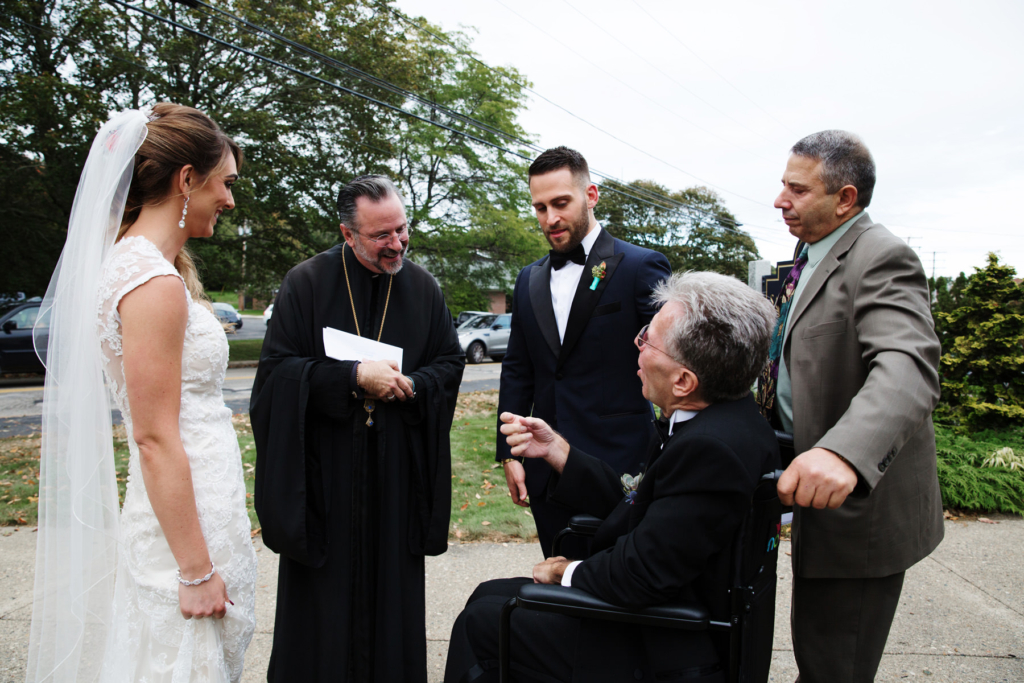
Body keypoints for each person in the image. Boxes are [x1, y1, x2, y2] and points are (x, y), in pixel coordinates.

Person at [446, 271, 780, 683]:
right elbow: (640, 507)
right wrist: (559, 452)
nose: (636, 348)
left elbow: (641, 575)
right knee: (488, 596)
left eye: (647, 341)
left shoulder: (711, 451)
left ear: (683, 381)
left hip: (665, 642)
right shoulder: (718, 419)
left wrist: (563, 571)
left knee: (483, 620)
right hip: (663, 614)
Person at [27, 104, 257, 682]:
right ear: (186, 180)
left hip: (193, 497)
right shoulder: (152, 283)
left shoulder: (138, 264)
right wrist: (196, 570)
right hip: (187, 511)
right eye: (224, 183)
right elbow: (154, 437)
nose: (230, 199)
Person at [250, 175, 465, 682]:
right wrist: (351, 377)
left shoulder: (423, 287)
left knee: (391, 595)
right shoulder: (305, 283)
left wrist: (412, 383)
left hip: (396, 478)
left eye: (402, 229)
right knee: (323, 606)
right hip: (326, 478)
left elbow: (450, 364)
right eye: (382, 235)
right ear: (348, 234)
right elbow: (276, 376)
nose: (398, 243)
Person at [758, 130, 944, 683]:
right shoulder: (809, 251)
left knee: (832, 666)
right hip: (802, 480)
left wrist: (843, 453)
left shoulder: (881, 255)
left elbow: (909, 366)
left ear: (845, 198)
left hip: (857, 511)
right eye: (782, 185)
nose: (779, 200)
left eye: (796, 189)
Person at [497, 146, 671, 557]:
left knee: (617, 594)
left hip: (618, 468)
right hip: (545, 474)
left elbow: (671, 358)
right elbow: (518, 370)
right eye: (539, 207)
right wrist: (511, 454)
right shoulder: (527, 280)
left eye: (560, 203)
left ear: (590, 195)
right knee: (557, 592)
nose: (550, 219)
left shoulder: (640, 266)